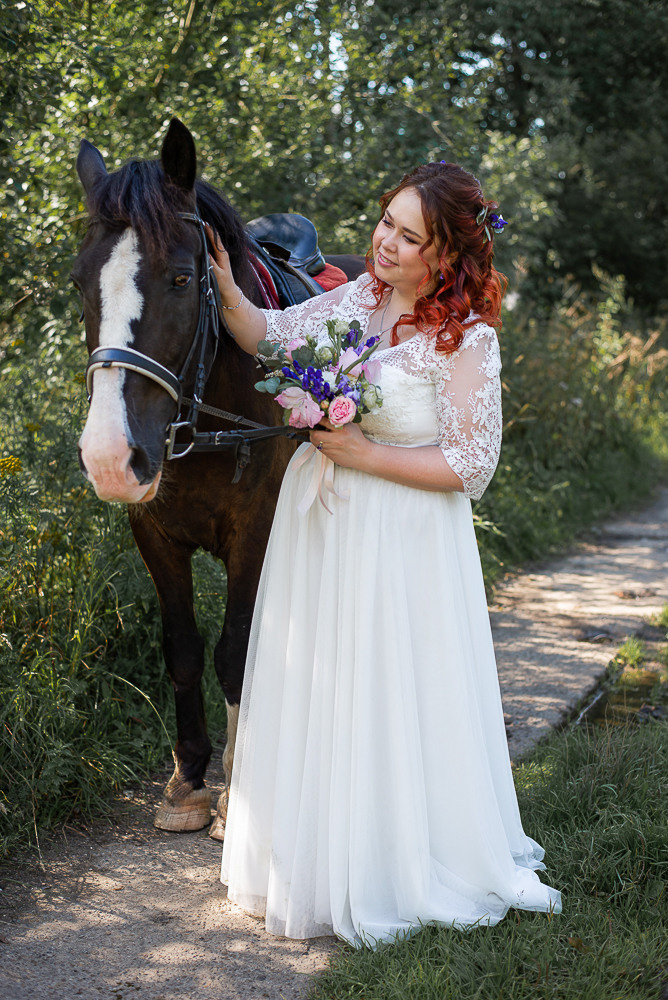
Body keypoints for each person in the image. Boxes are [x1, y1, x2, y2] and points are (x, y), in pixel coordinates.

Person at [210, 161, 562, 948]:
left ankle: (394, 862)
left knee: (388, 689)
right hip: (324, 531)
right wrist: (228, 285)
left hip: (402, 541)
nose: (387, 243)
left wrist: (364, 455)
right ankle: (316, 856)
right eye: (385, 223)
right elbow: (268, 334)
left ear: (448, 256)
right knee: (324, 686)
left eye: (410, 235)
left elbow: (471, 467)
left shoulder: (463, 339)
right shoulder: (358, 298)